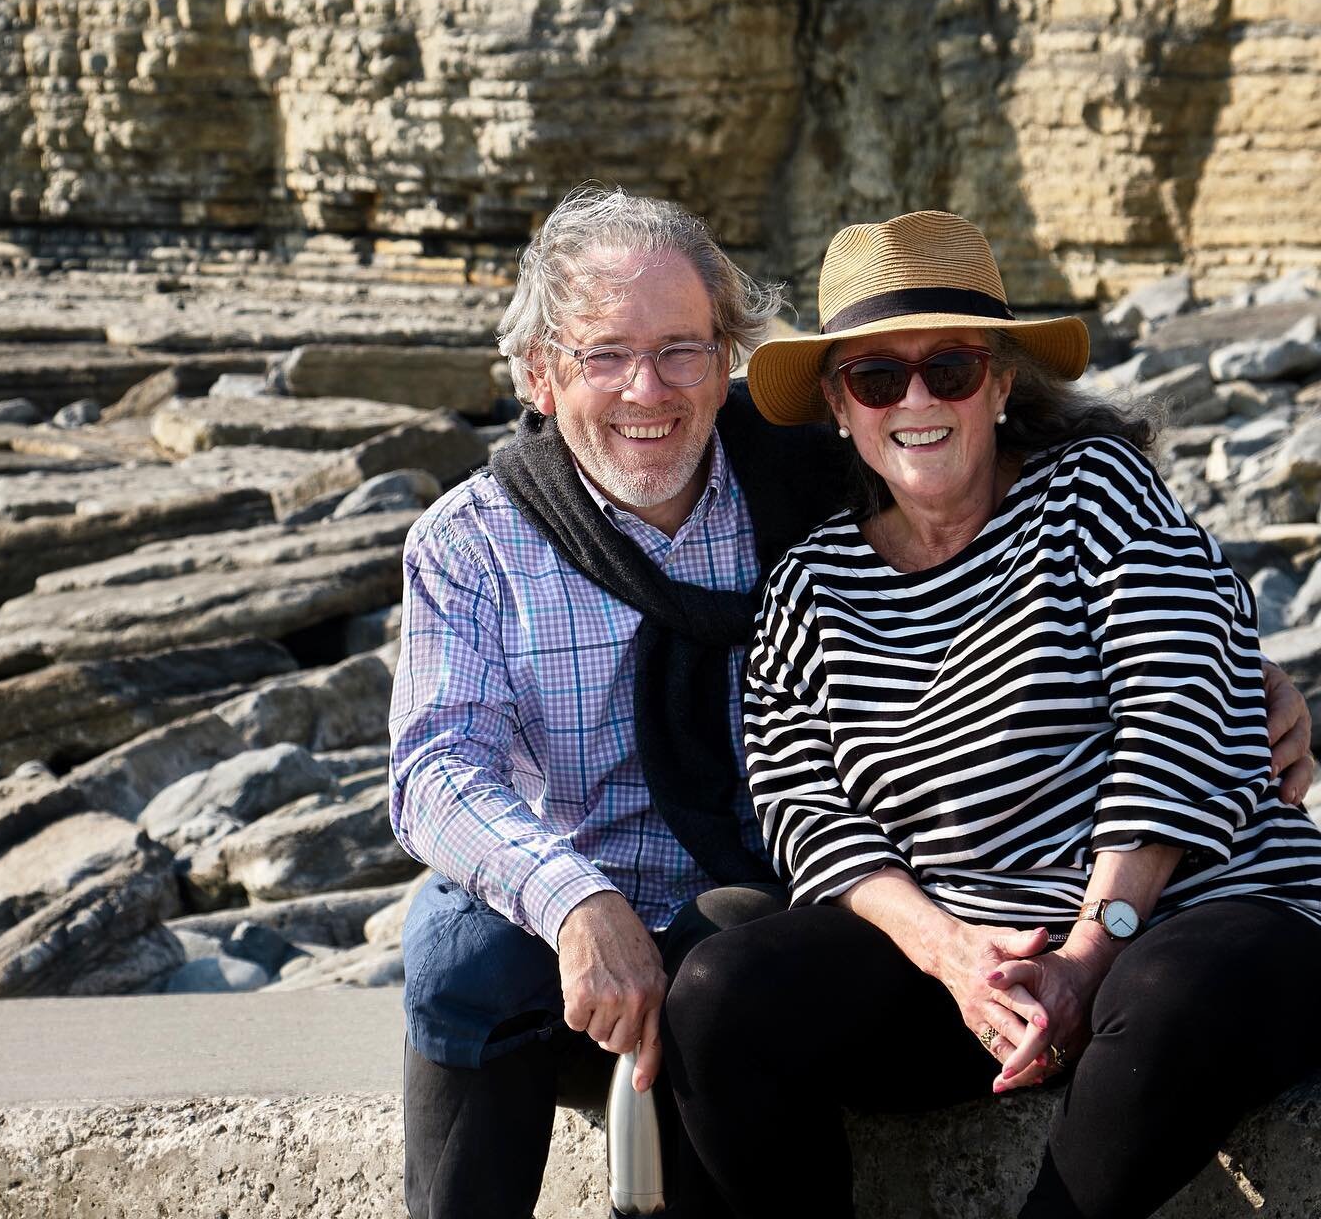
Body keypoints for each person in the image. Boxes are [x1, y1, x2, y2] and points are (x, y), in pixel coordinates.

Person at [389, 189, 1314, 1219]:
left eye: (683, 351)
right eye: (605, 354)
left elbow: (1170, 662)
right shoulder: (490, 542)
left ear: (998, 381)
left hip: (892, 903)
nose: (646, 389)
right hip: (608, 915)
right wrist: (575, 901)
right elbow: (442, 769)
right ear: (540, 374)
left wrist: (1244, 681)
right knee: (470, 960)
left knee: (737, 975)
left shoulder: (836, 476)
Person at [663, 209, 1321, 1219]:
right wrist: (954, 956)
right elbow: (808, 813)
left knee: (1167, 996)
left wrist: (1090, 953)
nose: (915, 399)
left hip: (1186, 919)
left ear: (1003, 384)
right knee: (719, 997)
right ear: (841, 405)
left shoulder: (1097, 495)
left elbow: (1174, 715)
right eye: (879, 377)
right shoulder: (809, 589)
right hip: (971, 969)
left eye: (952, 370)